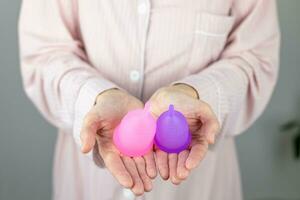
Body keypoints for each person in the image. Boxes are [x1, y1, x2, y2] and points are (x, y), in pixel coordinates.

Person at [19, 0, 280, 199]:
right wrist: (95, 97)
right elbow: (44, 53)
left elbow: (255, 58)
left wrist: (197, 95)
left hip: (200, 187)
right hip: (87, 186)